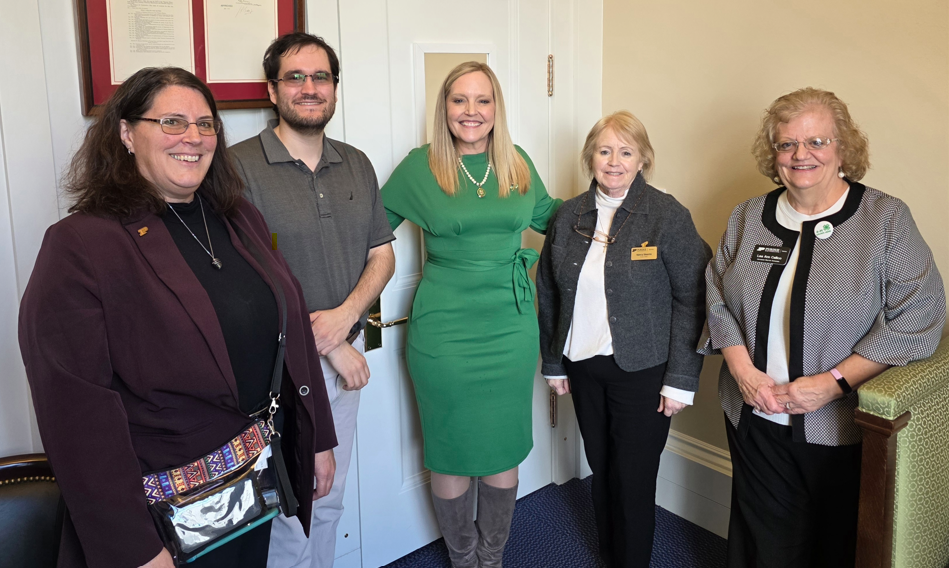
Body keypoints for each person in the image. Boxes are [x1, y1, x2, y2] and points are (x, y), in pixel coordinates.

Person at [18, 67, 338, 568]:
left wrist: (316, 439)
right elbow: (76, 416)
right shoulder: (81, 244)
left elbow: (290, 327)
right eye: (171, 121)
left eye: (205, 124)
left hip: (249, 489)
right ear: (126, 133)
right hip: (159, 519)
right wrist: (135, 549)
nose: (193, 137)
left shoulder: (237, 217)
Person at [700, 87, 945, 567]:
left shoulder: (885, 220)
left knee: (832, 544)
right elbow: (715, 294)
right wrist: (744, 372)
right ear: (774, 155)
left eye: (817, 142)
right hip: (752, 414)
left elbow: (921, 316)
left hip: (836, 427)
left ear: (843, 148)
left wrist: (833, 384)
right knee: (761, 543)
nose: (801, 155)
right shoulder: (749, 216)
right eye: (787, 144)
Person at [380, 61, 561, 568]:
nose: (471, 111)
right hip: (445, 332)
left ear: (496, 108)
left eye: (482, 100)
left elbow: (553, 217)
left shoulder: (517, 162)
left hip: (511, 326)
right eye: (459, 100)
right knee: (451, 449)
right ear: (445, 108)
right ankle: (463, 559)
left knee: (502, 448)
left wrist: (617, 203)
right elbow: (371, 230)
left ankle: (493, 556)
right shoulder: (421, 167)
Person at [229, 32, 396, 568]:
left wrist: (345, 323)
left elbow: (383, 256)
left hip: (343, 367)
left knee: (329, 499)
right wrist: (325, 343)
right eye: (295, 77)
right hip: (273, 375)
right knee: (287, 510)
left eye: (320, 77)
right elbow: (243, 283)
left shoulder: (357, 163)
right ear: (272, 90)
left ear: (335, 89)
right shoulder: (236, 170)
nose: (309, 88)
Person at [537, 111, 711, 567]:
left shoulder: (665, 215)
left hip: (643, 373)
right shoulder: (568, 214)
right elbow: (550, 293)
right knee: (602, 469)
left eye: (626, 151)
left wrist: (680, 379)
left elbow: (695, 296)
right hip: (583, 368)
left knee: (633, 479)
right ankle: (611, 555)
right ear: (590, 157)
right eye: (605, 150)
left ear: (643, 160)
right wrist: (553, 364)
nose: (614, 161)